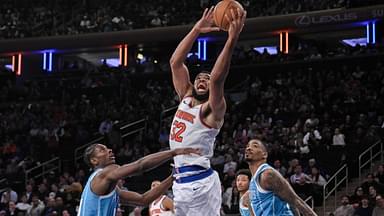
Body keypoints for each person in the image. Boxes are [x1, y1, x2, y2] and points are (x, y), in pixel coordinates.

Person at [169, 5, 246, 216]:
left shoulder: (213, 109)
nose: (203, 79)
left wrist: (231, 40)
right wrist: (195, 30)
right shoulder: (185, 96)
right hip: (180, 181)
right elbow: (175, 62)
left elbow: (218, 79)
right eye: (199, 78)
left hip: (199, 181)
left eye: (207, 78)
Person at [78, 143, 199, 216]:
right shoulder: (102, 174)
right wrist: (174, 152)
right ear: (94, 161)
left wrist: (173, 177)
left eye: (107, 148)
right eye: (102, 150)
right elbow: (140, 166)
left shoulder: (110, 189)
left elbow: (143, 200)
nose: (109, 150)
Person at [245, 139, 317, 216]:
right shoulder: (252, 182)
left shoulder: (268, 175)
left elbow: (295, 200)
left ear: (264, 155)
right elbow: (291, 204)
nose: (248, 148)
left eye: (255, 146)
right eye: (247, 146)